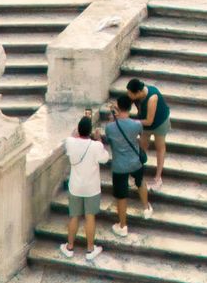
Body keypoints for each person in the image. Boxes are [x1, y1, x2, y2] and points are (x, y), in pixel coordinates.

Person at [103, 90, 153, 234]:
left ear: (117, 109)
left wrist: (113, 118)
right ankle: (146, 208)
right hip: (135, 160)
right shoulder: (137, 124)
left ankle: (123, 225)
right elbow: (139, 136)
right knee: (140, 181)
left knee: (121, 196)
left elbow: (111, 139)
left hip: (119, 165)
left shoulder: (110, 128)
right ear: (130, 108)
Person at [60, 114, 108, 260]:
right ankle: (90, 249)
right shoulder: (96, 146)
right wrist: (99, 140)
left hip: (75, 186)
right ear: (91, 132)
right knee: (90, 217)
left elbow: (70, 138)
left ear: (78, 129)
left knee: (74, 216)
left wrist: (76, 134)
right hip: (91, 188)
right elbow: (104, 158)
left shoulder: (70, 142)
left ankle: (69, 247)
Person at [126, 73, 171, 186]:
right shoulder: (135, 95)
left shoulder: (152, 98)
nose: (129, 96)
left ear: (138, 93)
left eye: (131, 94)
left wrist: (131, 121)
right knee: (142, 147)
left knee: (160, 147)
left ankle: (158, 177)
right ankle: (137, 174)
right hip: (144, 123)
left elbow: (149, 121)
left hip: (159, 123)